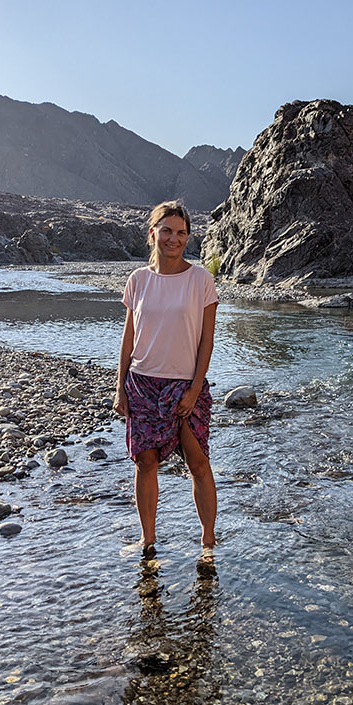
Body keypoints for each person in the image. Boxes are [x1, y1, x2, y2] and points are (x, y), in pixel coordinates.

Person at [113, 201, 219, 549]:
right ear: (153, 233)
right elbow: (129, 337)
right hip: (141, 383)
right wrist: (120, 388)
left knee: (198, 463)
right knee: (145, 463)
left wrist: (195, 389)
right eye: (167, 231)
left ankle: (208, 541)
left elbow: (206, 341)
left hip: (185, 385)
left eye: (181, 233)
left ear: (188, 238)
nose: (174, 239)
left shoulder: (201, 280)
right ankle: (148, 540)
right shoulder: (138, 280)